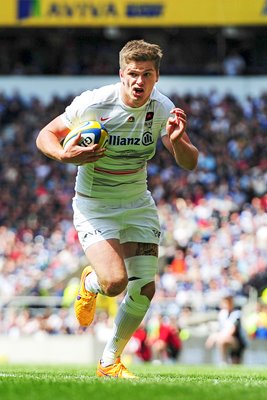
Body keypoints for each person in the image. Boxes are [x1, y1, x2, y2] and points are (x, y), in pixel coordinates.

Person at [36, 39, 198, 378]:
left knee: (145, 287)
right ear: (121, 74)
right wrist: (64, 155)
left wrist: (179, 140)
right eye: (133, 74)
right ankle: (91, 284)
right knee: (114, 283)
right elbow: (46, 135)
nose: (139, 82)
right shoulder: (95, 103)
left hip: (137, 200)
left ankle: (109, 361)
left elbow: (189, 163)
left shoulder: (163, 109)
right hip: (96, 204)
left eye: (148, 75)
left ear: (157, 77)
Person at [205, 294, 247, 364]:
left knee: (236, 364)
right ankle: (223, 361)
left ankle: (224, 361)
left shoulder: (237, 314)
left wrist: (215, 337)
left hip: (238, 341)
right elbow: (220, 329)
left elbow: (232, 331)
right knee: (221, 340)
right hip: (226, 339)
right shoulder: (222, 314)